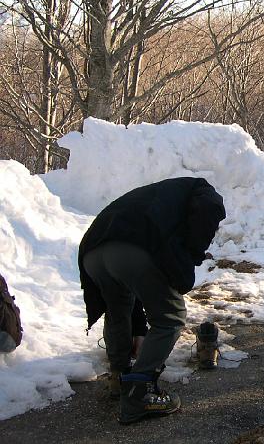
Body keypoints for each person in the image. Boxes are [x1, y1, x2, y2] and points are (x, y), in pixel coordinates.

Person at [78, 177, 226, 424]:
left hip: (93, 251)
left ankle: (119, 377)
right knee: (171, 317)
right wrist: (191, 254)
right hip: (133, 245)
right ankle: (139, 394)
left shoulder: (161, 195)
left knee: (118, 307)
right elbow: (209, 210)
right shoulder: (204, 190)